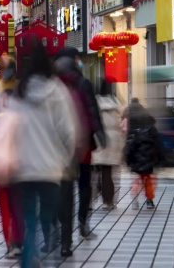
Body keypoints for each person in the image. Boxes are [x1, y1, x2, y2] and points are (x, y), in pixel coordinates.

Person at [6, 38, 78, 268]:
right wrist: (65, 160)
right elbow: (68, 131)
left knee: (29, 218)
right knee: (44, 218)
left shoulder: (20, 91)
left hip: (24, 168)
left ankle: (30, 258)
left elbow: (10, 128)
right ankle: (38, 255)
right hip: (50, 169)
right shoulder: (57, 91)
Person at [53, 47, 106, 240]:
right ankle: (83, 224)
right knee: (84, 185)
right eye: (77, 58)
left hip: (59, 146)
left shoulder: (53, 84)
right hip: (83, 144)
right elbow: (92, 109)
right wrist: (99, 133)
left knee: (62, 187)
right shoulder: (83, 82)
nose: (79, 61)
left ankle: (61, 226)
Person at [53, 51, 90, 256]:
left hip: (49, 157)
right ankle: (66, 242)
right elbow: (76, 125)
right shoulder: (74, 90)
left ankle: (57, 236)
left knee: (56, 198)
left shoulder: (49, 90)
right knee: (67, 199)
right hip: (67, 156)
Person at [0, 55, 24, 259]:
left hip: (2, 166)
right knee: (17, 205)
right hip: (19, 166)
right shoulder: (21, 116)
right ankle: (17, 241)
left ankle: (12, 242)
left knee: (6, 207)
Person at [125, 106, 165, 209]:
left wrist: (128, 161)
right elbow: (159, 147)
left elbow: (130, 148)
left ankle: (135, 196)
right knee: (148, 181)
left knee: (137, 180)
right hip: (149, 162)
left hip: (137, 162)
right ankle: (149, 200)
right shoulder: (153, 132)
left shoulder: (135, 133)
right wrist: (161, 160)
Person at [92, 80, 123, 209]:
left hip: (99, 138)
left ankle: (95, 197)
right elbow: (120, 125)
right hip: (112, 141)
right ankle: (108, 201)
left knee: (96, 172)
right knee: (107, 172)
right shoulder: (117, 104)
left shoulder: (95, 102)